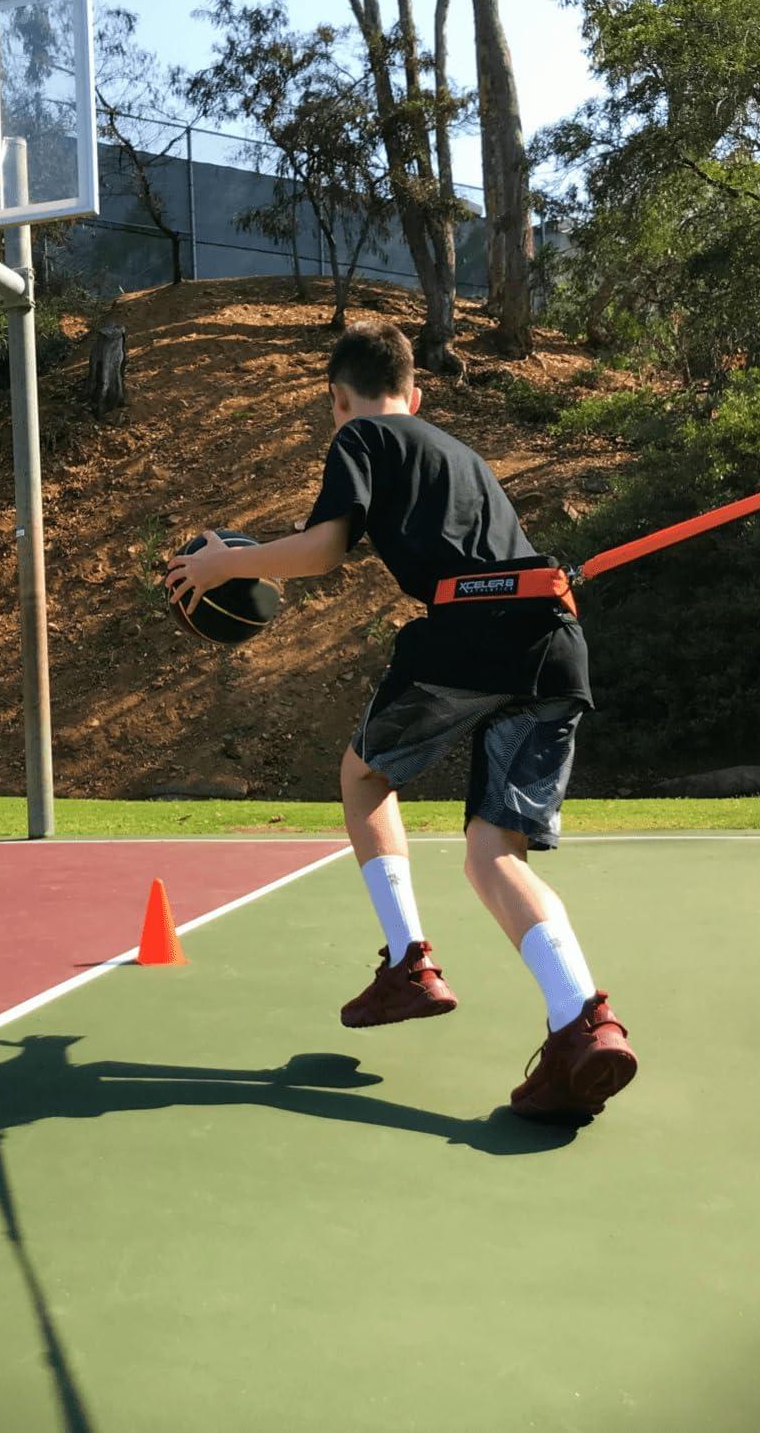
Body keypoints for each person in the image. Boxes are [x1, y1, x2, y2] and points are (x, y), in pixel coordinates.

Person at [165, 322, 636, 1123]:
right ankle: (585, 1023)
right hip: (554, 648)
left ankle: (410, 962)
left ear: (337, 400)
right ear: (416, 394)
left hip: (467, 638)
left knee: (364, 775)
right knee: (495, 858)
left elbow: (322, 550)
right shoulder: (460, 454)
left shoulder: (362, 437)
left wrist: (222, 564)